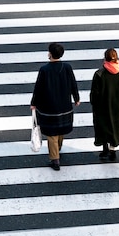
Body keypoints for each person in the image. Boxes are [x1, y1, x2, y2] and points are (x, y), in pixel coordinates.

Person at [30, 43, 80, 171]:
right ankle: (58, 149)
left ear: (50, 54)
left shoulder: (44, 69)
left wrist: (34, 102)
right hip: (64, 105)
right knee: (60, 130)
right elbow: (73, 83)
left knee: (52, 133)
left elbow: (38, 88)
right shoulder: (67, 67)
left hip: (49, 106)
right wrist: (76, 98)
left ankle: (55, 159)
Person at [90, 48, 119, 161]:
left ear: (105, 58)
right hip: (117, 107)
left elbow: (94, 93)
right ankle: (113, 150)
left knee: (103, 127)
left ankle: (104, 149)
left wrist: (94, 103)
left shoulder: (99, 74)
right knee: (115, 128)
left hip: (102, 107)